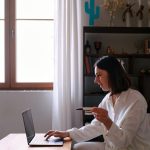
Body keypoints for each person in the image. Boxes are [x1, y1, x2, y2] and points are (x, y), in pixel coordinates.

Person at [45, 56, 150, 150]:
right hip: (111, 147)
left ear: (113, 74)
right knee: (76, 148)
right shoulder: (108, 99)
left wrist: (107, 121)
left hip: (129, 148)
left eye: (99, 75)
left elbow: (123, 143)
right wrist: (67, 133)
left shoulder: (136, 100)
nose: (95, 80)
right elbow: (94, 127)